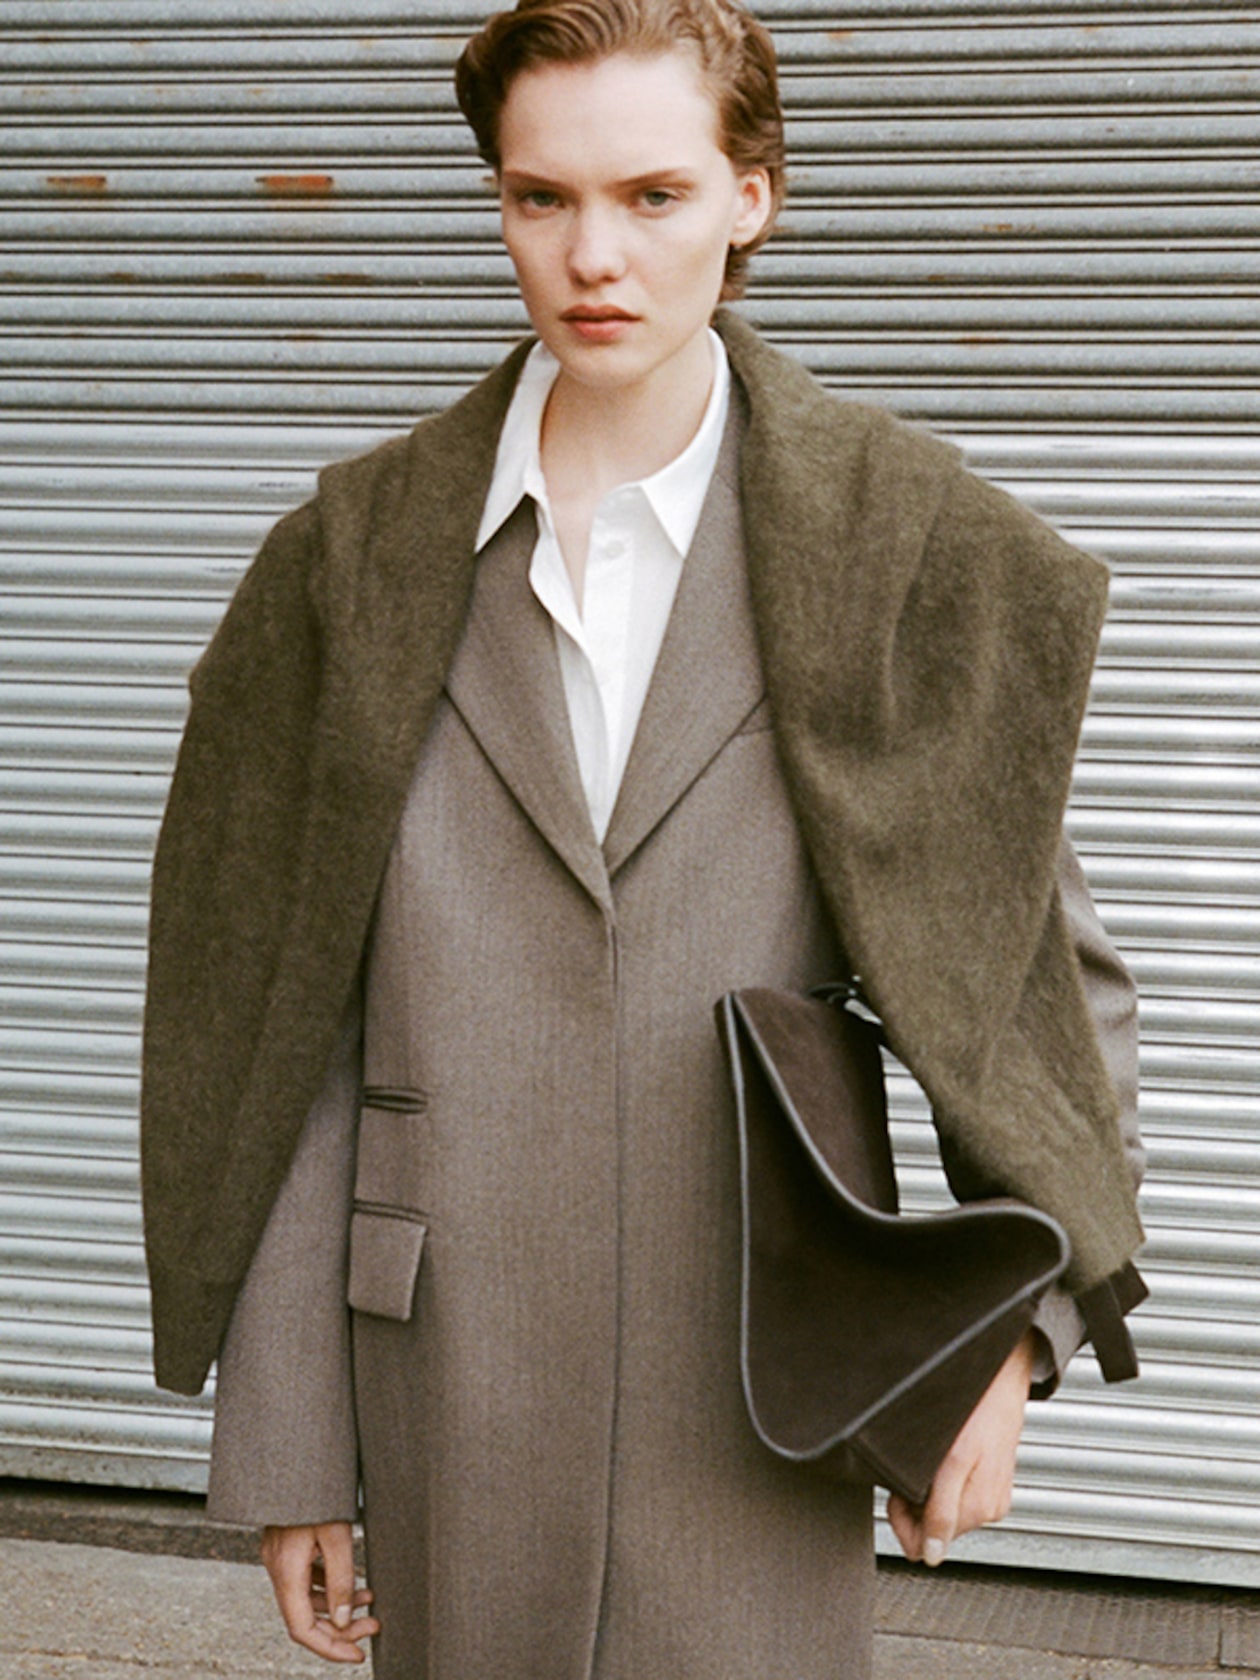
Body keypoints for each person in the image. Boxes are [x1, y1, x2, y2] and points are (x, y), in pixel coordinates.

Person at [140, 0, 1146, 1673]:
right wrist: (290, 1444)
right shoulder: (347, 567)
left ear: (755, 194)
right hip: (440, 1372)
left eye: (654, 196)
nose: (592, 253)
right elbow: (268, 1029)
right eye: (542, 199)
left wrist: (1009, 1345)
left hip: (765, 1375)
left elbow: (1038, 996)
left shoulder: (900, 552)